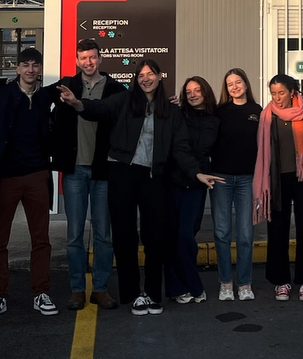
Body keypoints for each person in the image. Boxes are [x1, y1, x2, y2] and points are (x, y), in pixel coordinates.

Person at [58, 58, 224, 316]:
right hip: (121, 171)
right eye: (141, 75)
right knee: (124, 236)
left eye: (150, 74)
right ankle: (133, 295)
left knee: (155, 236)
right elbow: (98, 109)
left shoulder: (171, 111)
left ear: (159, 76)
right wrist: (77, 103)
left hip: (153, 176)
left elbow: (180, 148)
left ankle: (153, 294)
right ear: (136, 79)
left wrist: (197, 173)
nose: (146, 78)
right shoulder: (124, 100)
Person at [51, 38, 124, 311]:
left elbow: (137, 107)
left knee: (104, 234)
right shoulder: (66, 86)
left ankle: (101, 289)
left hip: (103, 170)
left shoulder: (116, 88)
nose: (88, 62)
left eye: (93, 57)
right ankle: (77, 289)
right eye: (83, 58)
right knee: (74, 235)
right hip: (75, 169)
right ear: (77, 60)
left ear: (100, 58)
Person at [252, 74, 303, 302]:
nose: (277, 97)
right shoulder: (267, 116)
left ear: (292, 91)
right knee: (277, 231)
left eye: (281, 93)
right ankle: (280, 281)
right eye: (273, 93)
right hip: (276, 180)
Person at [0, 48, 60, 315]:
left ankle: (41, 292)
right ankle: (0, 293)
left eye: (36, 65)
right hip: (7, 176)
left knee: (41, 238)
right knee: (0, 239)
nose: (31, 70)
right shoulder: (4, 94)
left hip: (37, 174)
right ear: (17, 68)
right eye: (26, 65)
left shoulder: (47, 95)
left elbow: (81, 83)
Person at [165, 76, 220, 304]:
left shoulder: (215, 120)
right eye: (189, 92)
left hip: (198, 184)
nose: (193, 95)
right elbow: (176, 148)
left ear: (206, 92)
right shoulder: (178, 114)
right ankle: (186, 286)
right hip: (173, 181)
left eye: (197, 90)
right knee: (175, 235)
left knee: (187, 234)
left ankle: (185, 283)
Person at [210, 68, 261, 301]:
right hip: (221, 178)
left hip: (247, 179)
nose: (234, 87)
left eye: (238, 82)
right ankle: (225, 283)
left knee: (245, 234)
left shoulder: (257, 111)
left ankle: (244, 283)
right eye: (229, 83)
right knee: (222, 233)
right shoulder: (218, 111)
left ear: (246, 84)